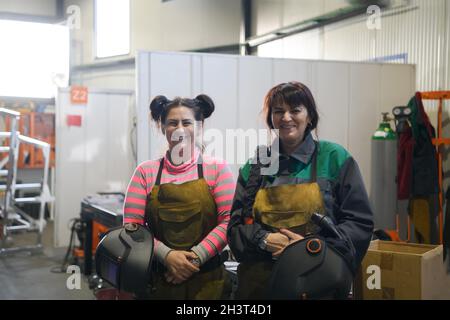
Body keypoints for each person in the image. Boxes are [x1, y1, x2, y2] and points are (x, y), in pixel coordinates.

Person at [227, 81, 374, 299]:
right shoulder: (256, 166)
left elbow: (359, 223)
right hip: (260, 289)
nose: (286, 117)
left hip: (319, 283)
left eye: (295, 110)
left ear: (310, 117)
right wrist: (264, 239)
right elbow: (236, 229)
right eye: (279, 111)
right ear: (272, 120)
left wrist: (310, 248)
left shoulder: (335, 158)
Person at [123, 94, 235, 299]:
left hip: (209, 280)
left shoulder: (217, 168)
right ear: (162, 128)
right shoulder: (145, 172)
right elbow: (132, 227)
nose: (180, 129)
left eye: (187, 123)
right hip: (159, 279)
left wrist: (195, 258)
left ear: (199, 127)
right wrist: (167, 256)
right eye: (173, 123)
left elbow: (229, 221)